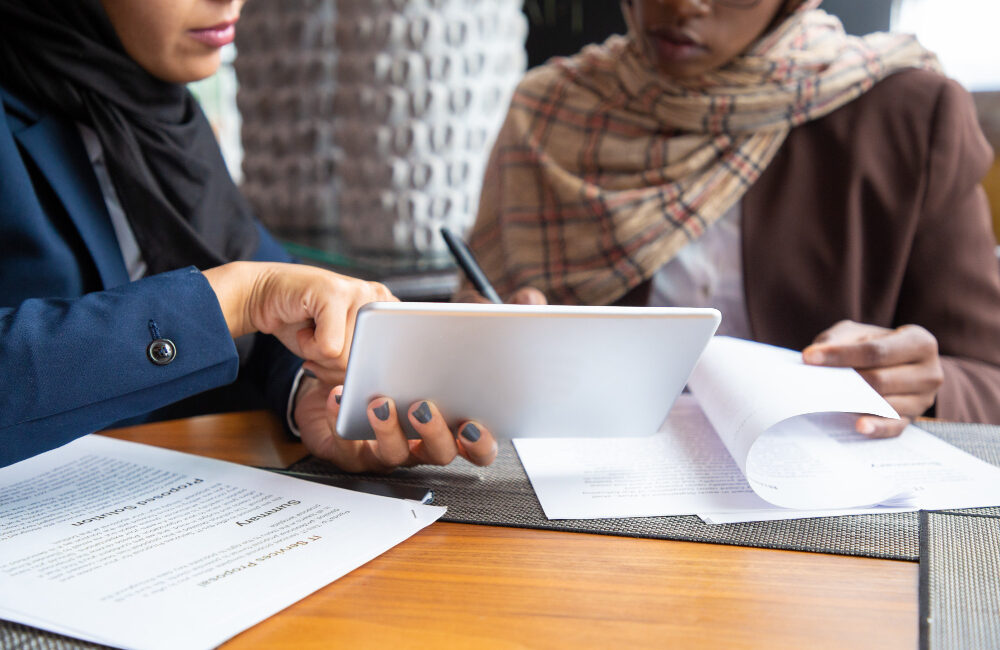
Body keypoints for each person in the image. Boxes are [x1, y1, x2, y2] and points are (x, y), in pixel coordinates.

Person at [460, 0, 1000, 436]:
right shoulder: (550, 112)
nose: (683, 6)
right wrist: (488, 343)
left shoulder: (907, 117)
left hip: (816, 517)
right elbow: (468, 341)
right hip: (569, 501)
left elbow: (987, 378)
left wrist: (928, 386)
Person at [0, 0, 498, 470]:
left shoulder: (157, 115)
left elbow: (273, 318)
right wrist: (235, 301)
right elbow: (249, 295)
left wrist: (313, 395)